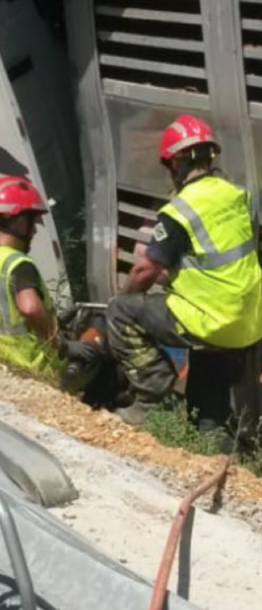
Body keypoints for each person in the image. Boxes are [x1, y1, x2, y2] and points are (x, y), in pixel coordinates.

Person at [107, 114, 262, 426]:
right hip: (246, 323)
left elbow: (143, 272)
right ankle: (217, 458)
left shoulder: (180, 210)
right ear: (210, 156)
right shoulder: (239, 196)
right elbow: (218, 262)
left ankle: (151, 400)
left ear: (175, 163)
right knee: (207, 414)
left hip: (208, 321)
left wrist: (123, 299)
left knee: (120, 311)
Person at [0, 176, 61, 375]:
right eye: (32, 222)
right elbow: (30, 308)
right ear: (20, 222)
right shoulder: (18, 264)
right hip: (30, 367)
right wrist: (60, 343)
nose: (34, 230)